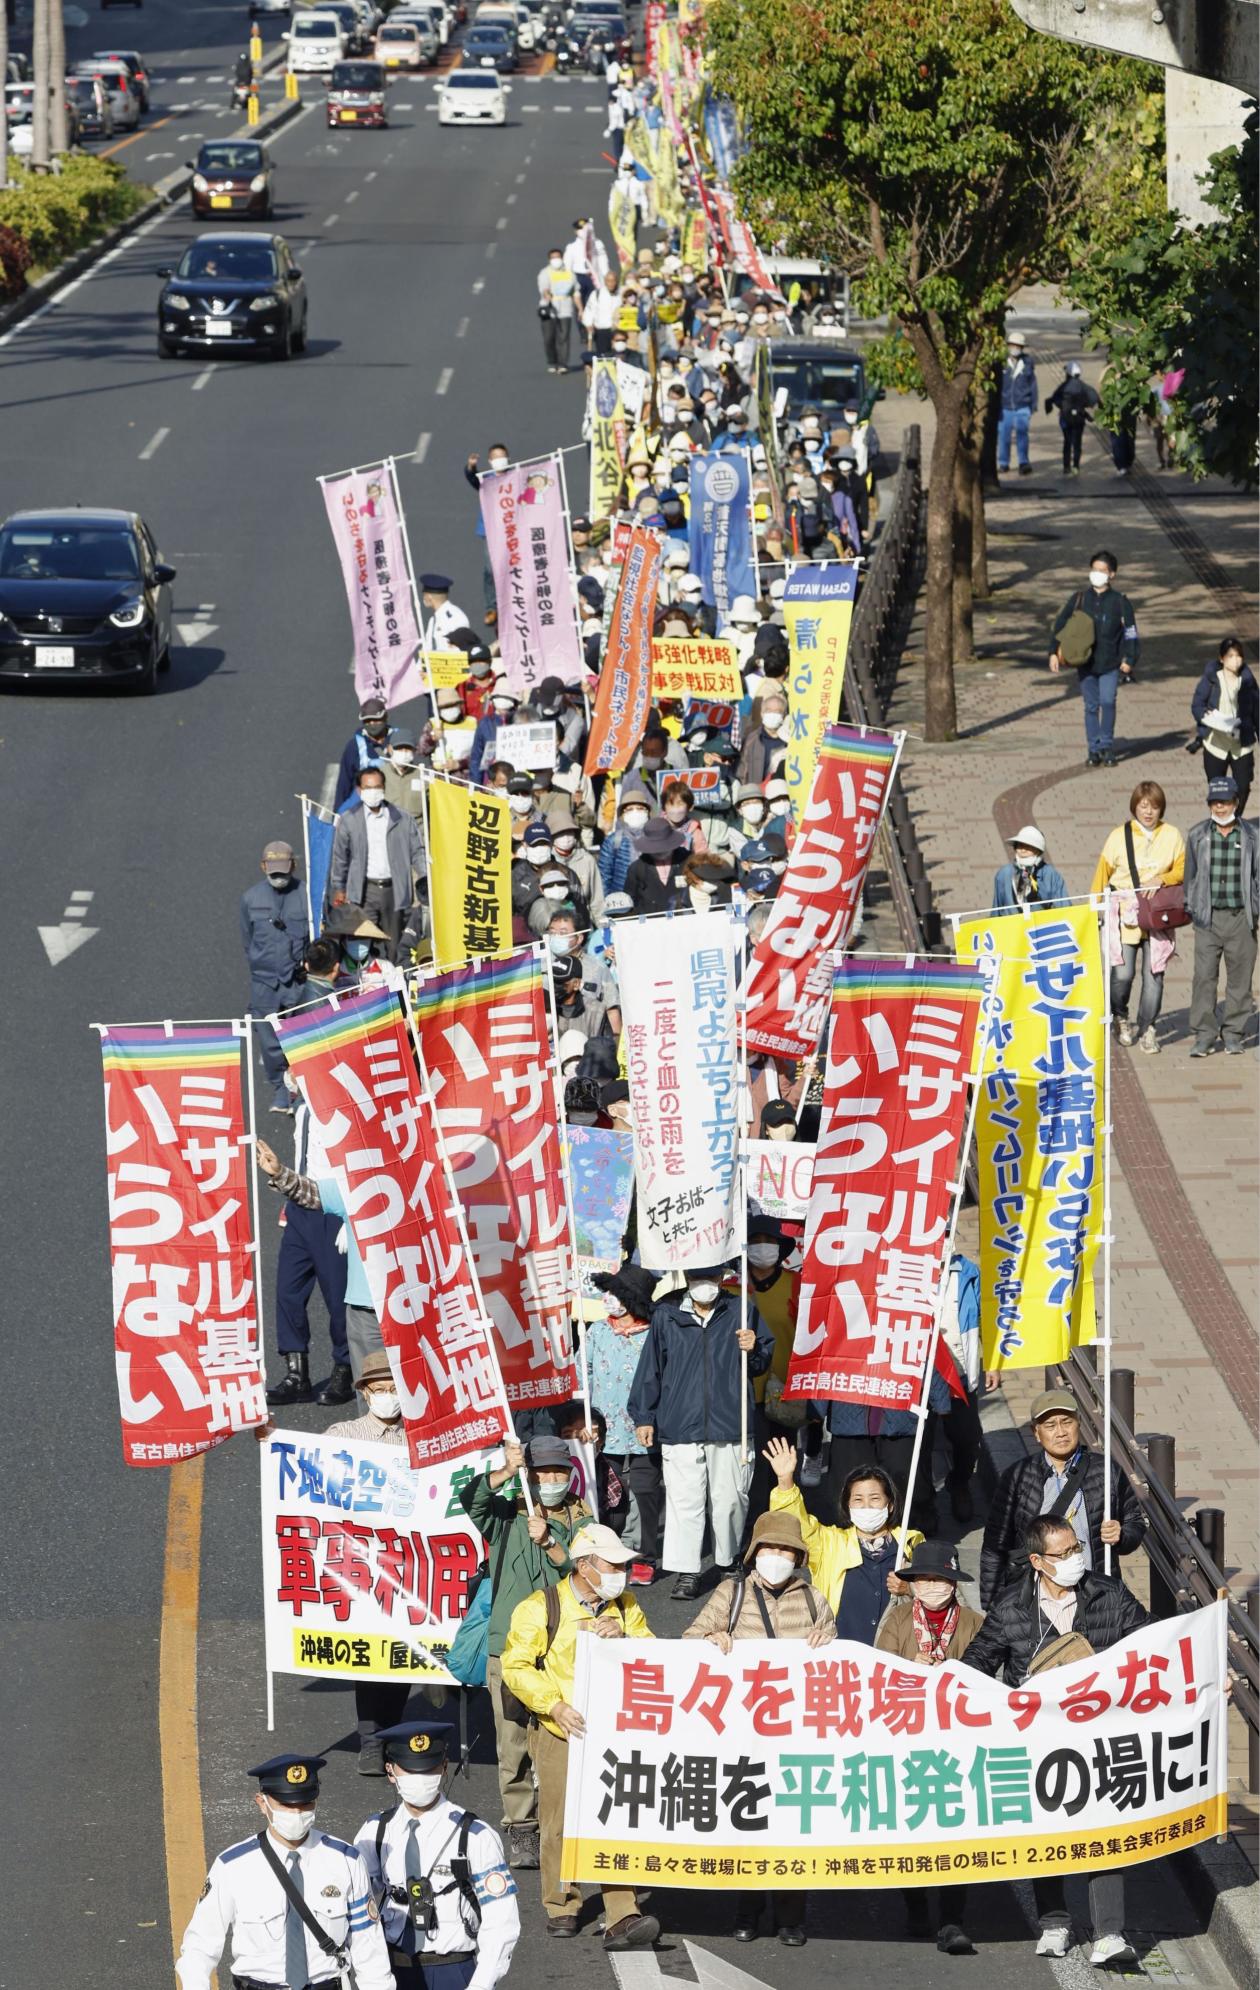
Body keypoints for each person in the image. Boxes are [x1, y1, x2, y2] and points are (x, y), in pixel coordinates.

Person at [964, 1515, 1151, 1966]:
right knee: (1047, 1828)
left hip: (1098, 1733)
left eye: (1076, 1549)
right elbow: (977, 1665)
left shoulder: (1109, 1593)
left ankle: (1109, 1932)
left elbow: (1152, 1643)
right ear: (1036, 1560)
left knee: (1105, 1829)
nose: (1074, 1560)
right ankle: (1054, 1922)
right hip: (1038, 1740)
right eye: (1062, 1554)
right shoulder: (1010, 1607)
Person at [499, 1522, 660, 1951]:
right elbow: (516, 1666)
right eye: (612, 1564)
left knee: (616, 1817)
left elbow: (653, 1652)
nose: (620, 1573)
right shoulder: (542, 1606)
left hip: (615, 1731)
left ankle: (623, 1911)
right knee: (559, 1822)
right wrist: (553, 1705)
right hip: (560, 1732)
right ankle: (562, 1904)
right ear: (584, 1565)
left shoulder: (624, 1607)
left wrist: (624, 1636)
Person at [683, 1507, 834, 1950]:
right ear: (754, 1553)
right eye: (769, 1548)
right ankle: (747, 1910)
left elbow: (835, 1659)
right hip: (740, 1732)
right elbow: (689, 1641)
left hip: (795, 1734)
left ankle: (791, 1917)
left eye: (786, 1549)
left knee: (792, 1827)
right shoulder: (730, 1595)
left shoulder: (813, 1599)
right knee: (747, 1821)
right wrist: (711, 1641)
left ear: (798, 1557)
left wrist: (828, 1641)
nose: (776, 1556)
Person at [459, 1436, 590, 1867]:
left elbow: (591, 1574)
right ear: (530, 1475)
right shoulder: (508, 1513)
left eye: (558, 1472)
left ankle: (565, 1822)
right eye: (542, 1472)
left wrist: (552, 1542)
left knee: (564, 1737)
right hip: (508, 1648)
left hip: (563, 1649)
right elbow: (472, 1502)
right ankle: (522, 1827)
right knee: (512, 1742)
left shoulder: (582, 1519)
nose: (550, 1480)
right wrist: (503, 1473)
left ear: (570, 1475)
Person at [176, 1753, 393, 1989]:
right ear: (262, 1803)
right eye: (286, 1805)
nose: (297, 1813)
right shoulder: (233, 1867)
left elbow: (369, 1948)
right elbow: (200, 1946)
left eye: (305, 1803)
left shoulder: (346, 1861)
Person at [628, 1266, 773, 1600]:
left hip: (731, 1423)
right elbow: (651, 1367)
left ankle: (728, 1560)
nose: (703, 1284)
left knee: (731, 1498)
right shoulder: (666, 1315)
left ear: (723, 1277)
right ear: (687, 1279)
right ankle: (687, 1571)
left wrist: (755, 1349)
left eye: (710, 1277)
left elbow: (762, 1362)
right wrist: (644, 1416)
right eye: (696, 1277)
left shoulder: (741, 1309)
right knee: (684, 1501)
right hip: (680, 1423)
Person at [876, 1538, 985, 1956]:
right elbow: (877, 1676)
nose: (932, 1585)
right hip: (907, 1741)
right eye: (924, 1578)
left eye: (940, 1578)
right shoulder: (898, 1621)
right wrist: (908, 1670)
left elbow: (989, 1675)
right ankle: (916, 1904)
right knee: (912, 1829)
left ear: (953, 1582)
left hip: (959, 1742)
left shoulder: (974, 1623)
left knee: (958, 1832)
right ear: (912, 1583)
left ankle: (953, 1919)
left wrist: (955, 1673)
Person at [356, 1721, 519, 1988]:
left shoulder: (474, 1836)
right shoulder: (375, 1832)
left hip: (453, 1971)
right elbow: (358, 1906)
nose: (420, 1777)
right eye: (409, 1769)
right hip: (390, 1970)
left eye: (429, 1768)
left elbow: (502, 1921)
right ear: (390, 1771)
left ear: (444, 1767)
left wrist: (480, 1984)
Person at [322, 1352, 417, 1765]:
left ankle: (391, 1729)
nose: (388, 1398)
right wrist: (271, 1439)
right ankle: (371, 1739)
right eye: (380, 1390)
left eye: (395, 1390)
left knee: (402, 1647)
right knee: (368, 1648)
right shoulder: (345, 1433)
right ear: (364, 1392)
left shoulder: (419, 1435)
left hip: (410, 1559)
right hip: (361, 1561)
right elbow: (302, 1459)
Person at [980, 1387, 1145, 1607]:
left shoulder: (1106, 1471)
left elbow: (1135, 1522)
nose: (1060, 1432)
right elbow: (994, 1545)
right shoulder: (1018, 1477)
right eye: (1050, 1425)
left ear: (1079, 1423)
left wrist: (1122, 1534)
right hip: (1036, 1597)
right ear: (1036, 1432)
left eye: (1067, 1422)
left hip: (1096, 1595)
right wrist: (992, 1605)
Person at [764, 1439, 922, 1637]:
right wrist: (785, 1480)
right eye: (858, 1499)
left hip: (893, 1658)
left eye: (875, 1498)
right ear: (847, 1506)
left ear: (889, 1505)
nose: (866, 1506)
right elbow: (795, 1526)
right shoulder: (829, 1543)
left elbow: (942, 1595)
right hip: (843, 1658)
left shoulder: (911, 1545)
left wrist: (910, 1588)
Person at [266, 1094, 352, 1408]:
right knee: (288, 1291)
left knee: (338, 1296)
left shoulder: (344, 1105)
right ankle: (296, 1372)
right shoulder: (303, 1108)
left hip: (333, 1207)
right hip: (299, 1206)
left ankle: (345, 1368)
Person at [1090, 780, 1186, 1052]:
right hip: (1125, 914)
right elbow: (1102, 874)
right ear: (1134, 806)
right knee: (1122, 974)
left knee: (1154, 974)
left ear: (1161, 809)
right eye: (1144, 806)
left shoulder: (1172, 835)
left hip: (1158, 916)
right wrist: (1094, 909)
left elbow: (1183, 869)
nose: (1148, 812)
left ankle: (1148, 1027)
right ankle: (1120, 1016)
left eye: (1154, 807)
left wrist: (1163, 878)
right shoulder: (1118, 836)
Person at [588, 1263, 662, 1580]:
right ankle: (609, 1551)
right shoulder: (597, 1330)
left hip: (646, 1428)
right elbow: (586, 1373)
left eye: (615, 1293)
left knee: (645, 1491)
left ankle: (644, 1555)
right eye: (607, 1291)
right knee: (609, 1492)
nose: (608, 1298)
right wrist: (585, 1418)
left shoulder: (656, 1333)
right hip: (603, 1430)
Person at [1185, 775, 1258, 1056]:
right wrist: (1193, 908)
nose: (1220, 808)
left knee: (1240, 978)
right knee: (1204, 977)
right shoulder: (1197, 834)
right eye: (1215, 802)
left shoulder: (1252, 835)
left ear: (1236, 803)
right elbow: (1189, 876)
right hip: (1209, 918)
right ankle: (1204, 1034)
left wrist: (1255, 907)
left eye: (1225, 802)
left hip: (1242, 918)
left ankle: (1233, 1033)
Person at [1049, 550, 1140, 768]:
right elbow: (1059, 626)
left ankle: (1107, 746)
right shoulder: (1079, 599)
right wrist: (1053, 652)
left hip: (1110, 663)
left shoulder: (1120, 602)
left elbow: (1131, 632)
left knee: (1107, 702)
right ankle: (1093, 748)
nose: (1097, 574)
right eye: (1094, 569)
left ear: (1112, 575)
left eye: (1102, 570)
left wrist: (1130, 658)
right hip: (1085, 663)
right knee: (1091, 706)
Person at [239, 838, 310, 1113]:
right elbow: (248, 940)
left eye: (284, 869)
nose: (279, 876)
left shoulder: (307, 894)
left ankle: (301, 1089)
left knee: (300, 1037)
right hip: (264, 982)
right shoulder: (249, 898)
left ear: (293, 865)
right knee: (269, 1042)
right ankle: (281, 1089)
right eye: (273, 870)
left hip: (297, 981)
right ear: (263, 866)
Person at [329, 765, 428, 960]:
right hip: (364, 891)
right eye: (368, 787)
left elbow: (418, 851)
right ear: (359, 790)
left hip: (395, 891)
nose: (373, 792)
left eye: (377, 787)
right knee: (362, 946)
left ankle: (395, 985)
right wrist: (339, 888)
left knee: (395, 945)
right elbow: (340, 857)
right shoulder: (349, 820)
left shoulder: (402, 818)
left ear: (384, 788)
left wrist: (424, 876)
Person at [1191, 636, 1257, 817]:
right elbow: (1197, 705)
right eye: (1230, 656)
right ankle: (1220, 823)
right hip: (1216, 743)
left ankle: (1235, 820)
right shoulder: (1211, 679)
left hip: (1241, 744)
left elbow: (1257, 709)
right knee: (1217, 789)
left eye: (1239, 656)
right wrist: (1206, 716)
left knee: (1243, 787)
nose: (1235, 660)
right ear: (1221, 658)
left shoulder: (1248, 681)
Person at [990, 823, 1068, 913]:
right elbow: (997, 908)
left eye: (1028, 845)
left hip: (1041, 925)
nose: (1023, 849)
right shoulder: (1004, 873)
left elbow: (1064, 907)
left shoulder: (1050, 873)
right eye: (1020, 845)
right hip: (1012, 925)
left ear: (1038, 849)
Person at [335, 695, 395, 808]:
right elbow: (344, 784)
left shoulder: (399, 740)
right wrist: (337, 816)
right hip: (362, 809)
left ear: (385, 717)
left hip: (394, 806)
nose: (372, 724)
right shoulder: (354, 747)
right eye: (368, 721)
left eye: (376, 720)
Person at [624, 816, 690, 914]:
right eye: (656, 849)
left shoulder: (688, 861)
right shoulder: (637, 869)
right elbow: (629, 902)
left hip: (683, 921)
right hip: (650, 925)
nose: (660, 852)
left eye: (664, 847)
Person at [1045, 360, 1098, 475]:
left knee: (1067, 442)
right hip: (1079, 419)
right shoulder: (1083, 386)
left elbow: (1054, 398)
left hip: (1065, 419)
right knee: (1077, 443)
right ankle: (1076, 466)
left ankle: (1066, 466)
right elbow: (1093, 398)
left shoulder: (1064, 386)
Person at [997, 329, 1037, 475]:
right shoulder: (1001, 362)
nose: (1015, 348)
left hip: (1022, 406)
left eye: (1018, 346)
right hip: (1005, 406)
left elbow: (1033, 384)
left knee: (1022, 435)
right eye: (1012, 345)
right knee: (1004, 436)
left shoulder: (1027, 363)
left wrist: (1033, 404)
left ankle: (1023, 462)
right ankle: (1003, 463)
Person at [537, 248, 578, 374]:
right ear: (549, 260)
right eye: (553, 257)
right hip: (549, 309)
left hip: (565, 308)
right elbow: (544, 288)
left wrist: (580, 309)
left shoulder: (570, 273)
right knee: (549, 338)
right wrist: (547, 294)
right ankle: (552, 361)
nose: (556, 260)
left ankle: (562, 363)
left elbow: (576, 292)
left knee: (564, 337)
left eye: (558, 257)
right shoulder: (545, 273)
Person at [418, 574, 470, 655]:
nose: (423, 598)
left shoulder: (455, 616)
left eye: (424, 594)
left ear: (429, 596)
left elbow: (460, 650)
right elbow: (427, 648)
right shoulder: (433, 620)